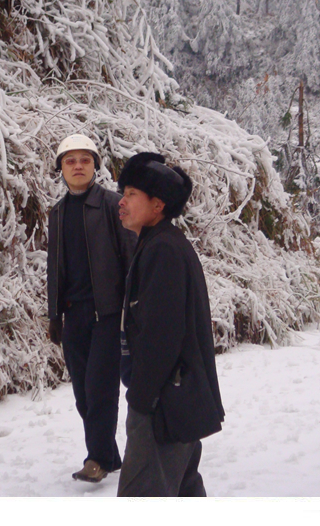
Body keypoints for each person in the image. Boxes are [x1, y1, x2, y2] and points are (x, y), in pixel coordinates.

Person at [115, 152, 224, 497]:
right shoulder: (160, 244)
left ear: (157, 205)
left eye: (132, 194)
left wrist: (143, 398)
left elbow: (162, 336)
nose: (122, 202)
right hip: (177, 400)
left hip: (164, 404)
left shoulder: (162, 250)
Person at [46, 134, 137, 483]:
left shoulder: (114, 206)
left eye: (85, 160)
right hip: (74, 315)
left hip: (108, 314)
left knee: (100, 389)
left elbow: (131, 258)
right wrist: (55, 314)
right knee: (83, 393)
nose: (78, 166)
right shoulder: (57, 212)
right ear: (62, 169)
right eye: (70, 161)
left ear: (95, 166)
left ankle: (96, 459)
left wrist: (133, 311)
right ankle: (110, 455)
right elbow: (55, 266)